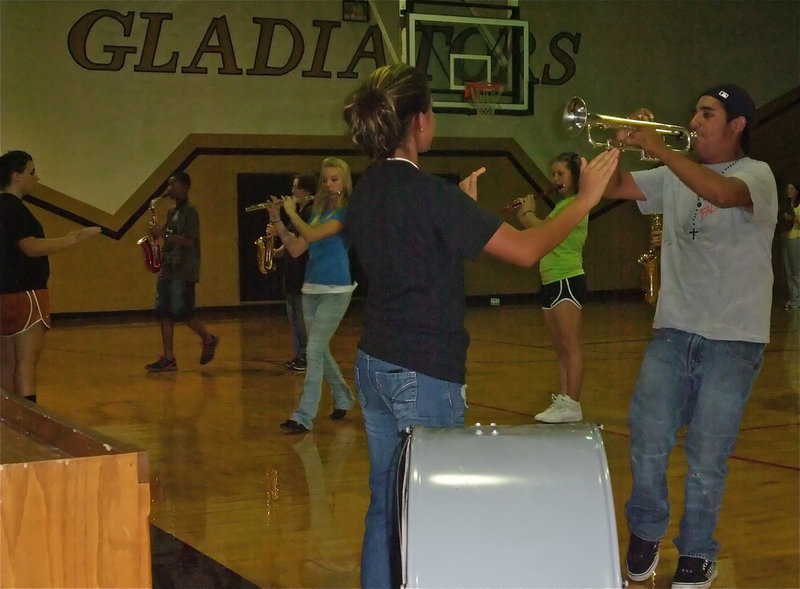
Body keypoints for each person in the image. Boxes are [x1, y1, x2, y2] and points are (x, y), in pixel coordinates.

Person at [342, 63, 619, 589]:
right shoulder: (429, 194)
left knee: (386, 502)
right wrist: (583, 200)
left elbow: (413, 257)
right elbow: (525, 248)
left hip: (375, 361)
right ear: (421, 121)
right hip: (423, 370)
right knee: (431, 510)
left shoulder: (368, 190)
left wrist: (461, 215)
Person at [604, 84, 777, 589]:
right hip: (675, 329)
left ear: (737, 125)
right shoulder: (672, 173)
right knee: (648, 437)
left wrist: (657, 146)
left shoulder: (756, 175)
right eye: (695, 112)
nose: (694, 121)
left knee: (707, 454)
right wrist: (620, 143)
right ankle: (646, 528)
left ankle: (699, 551)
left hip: (734, 338)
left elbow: (722, 195)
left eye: (707, 113)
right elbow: (613, 187)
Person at [0, 150, 101, 402]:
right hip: (26, 294)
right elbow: (30, 246)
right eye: (31, 173)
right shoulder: (15, 209)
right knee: (25, 364)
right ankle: (28, 428)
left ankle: (7, 427)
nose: (37, 177)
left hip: (3, 295)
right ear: (16, 176)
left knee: (6, 365)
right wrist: (73, 240)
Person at [267, 157, 356, 433]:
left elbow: (314, 235)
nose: (329, 185)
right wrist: (278, 221)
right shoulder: (317, 212)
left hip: (336, 289)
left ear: (344, 182)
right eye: (325, 180)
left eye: (335, 179)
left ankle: (303, 415)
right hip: (312, 288)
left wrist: (292, 213)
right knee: (320, 350)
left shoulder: (345, 212)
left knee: (313, 350)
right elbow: (296, 249)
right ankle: (343, 397)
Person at [514, 152, 588, 423]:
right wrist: (525, 216)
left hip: (567, 278)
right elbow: (537, 235)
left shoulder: (577, 203)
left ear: (575, 177)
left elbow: (548, 230)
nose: (555, 179)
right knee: (560, 347)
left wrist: (531, 214)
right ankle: (564, 401)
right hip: (550, 280)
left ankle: (573, 404)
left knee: (570, 345)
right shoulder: (561, 206)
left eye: (561, 174)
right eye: (553, 174)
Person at [145, 172, 218, 372]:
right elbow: (171, 238)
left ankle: (208, 338)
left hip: (183, 269)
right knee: (164, 313)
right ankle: (169, 358)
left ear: (184, 187)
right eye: (168, 185)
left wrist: (164, 234)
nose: (169, 189)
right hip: (168, 268)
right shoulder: (171, 212)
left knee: (182, 311)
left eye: (173, 184)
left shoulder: (190, 212)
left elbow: (189, 241)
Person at [277, 173, 316, 371]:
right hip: (292, 273)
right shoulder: (300, 212)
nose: (292, 192)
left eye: (296, 187)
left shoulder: (310, 212)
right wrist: (278, 251)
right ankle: (299, 355)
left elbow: (303, 240)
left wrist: (279, 226)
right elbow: (291, 240)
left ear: (306, 190)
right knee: (294, 320)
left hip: (303, 272)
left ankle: (306, 357)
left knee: (301, 320)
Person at [780, 181, 799, 310]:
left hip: (795, 238)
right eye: (787, 188)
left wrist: (792, 219)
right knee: (788, 271)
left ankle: (798, 299)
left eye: (791, 188)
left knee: (796, 271)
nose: (789, 191)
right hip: (785, 237)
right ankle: (793, 298)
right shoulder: (785, 205)